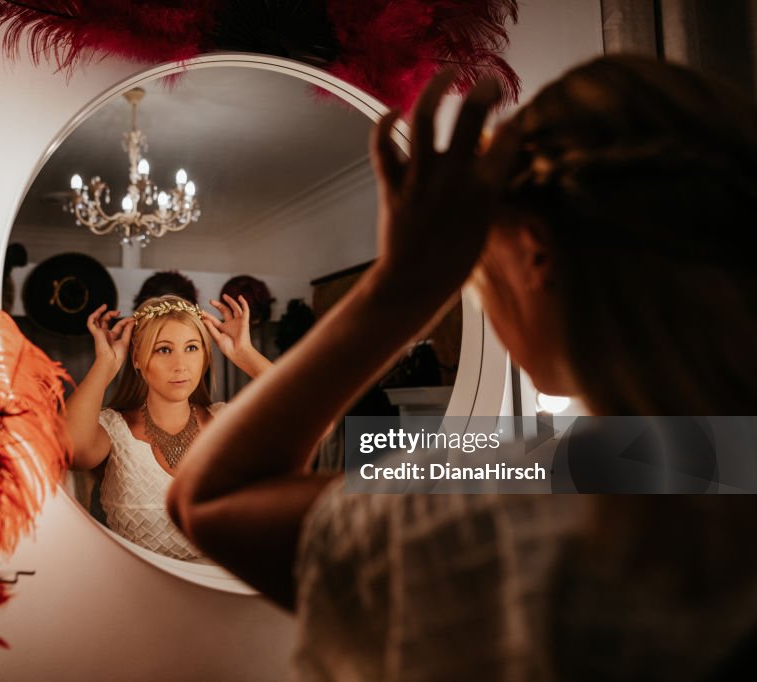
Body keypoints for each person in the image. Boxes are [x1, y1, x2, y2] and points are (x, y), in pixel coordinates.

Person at [167, 55, 757, 679]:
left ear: (537, 256)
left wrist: (402, 288)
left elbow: (213, 498)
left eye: (476, 272)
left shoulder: (515, 512)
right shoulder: (704, 462)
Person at [64, 294, 272, 560]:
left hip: (225, 594)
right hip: (139, 595)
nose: (180, 366)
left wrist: (244, 353)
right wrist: (105, 364)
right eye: (164, 349)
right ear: (137, 359)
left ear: (206, 357)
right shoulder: (114, 429)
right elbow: (71, 449)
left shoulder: (227, 422)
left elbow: (312, 420)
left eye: (192, 348)